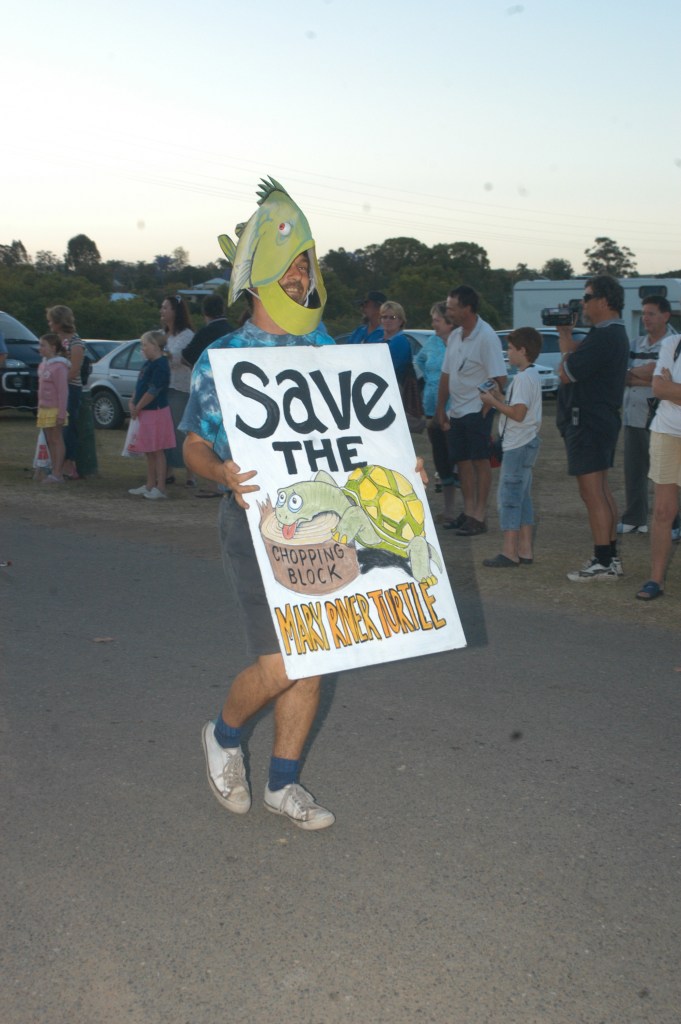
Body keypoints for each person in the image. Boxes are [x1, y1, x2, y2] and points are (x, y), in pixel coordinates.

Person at [181, 177, 338, 830]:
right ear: (262, 275)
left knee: (317, 657)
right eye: (292, 265)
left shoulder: (324, 347)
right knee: (283, 662)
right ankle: (221, 736)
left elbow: (359, 432)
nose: (303, 276)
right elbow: (191, 445)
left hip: (319, 521)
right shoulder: (223, 356)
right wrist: (220, 470)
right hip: (251, 521)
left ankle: (282, 784)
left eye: (308, 265)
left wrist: (401, 470)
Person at [556, 275, 629, 581]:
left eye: (586, 298)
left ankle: (603, 561)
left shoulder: (605, 336)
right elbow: (575, 354)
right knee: (600, 490)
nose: (582, 304)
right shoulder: (609, 334)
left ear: (603, 300)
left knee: (592, 493)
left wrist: (565, 352)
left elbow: (566, 372)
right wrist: (565, 333)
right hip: (599, 420)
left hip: (589, 421)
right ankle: (609, 557)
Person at [436, 285, 507, 536]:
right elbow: (447, 374)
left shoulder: (486, 336)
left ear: (467, 309)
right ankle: (467, 513)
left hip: (477, 410)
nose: (449, 312)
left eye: (452, 308)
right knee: (462, 463)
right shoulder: (455, 336)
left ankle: (479, 515)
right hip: (456, 410)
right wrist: (441, 408)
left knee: (480, 462)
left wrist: (488, 404)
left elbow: (499, 377)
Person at [479, 328, 543, 567]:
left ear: (523, 351)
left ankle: (510, 551)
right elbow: (519, 407)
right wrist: (500, 396)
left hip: (518, 444)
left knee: (509, 497)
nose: (508, 353)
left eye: (511, 349)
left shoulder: (524, 378)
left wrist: (493, 402)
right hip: (526, 442)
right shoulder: (531, 375)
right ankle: (524, 549)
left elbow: (518, 413)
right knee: (523, 497)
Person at [618, 296, 677, 534]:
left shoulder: (673, 344)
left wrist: (645, 376)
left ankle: (674, 523)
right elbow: (623, 375)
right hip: (633, 416)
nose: (645, 318)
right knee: (634, 470)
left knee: (668, 475)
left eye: (651, 313)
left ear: (665, 316)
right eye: (644, 313)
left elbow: (662, 377)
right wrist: (646, 376)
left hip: (661, 420)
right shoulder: (635, 343)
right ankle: (635, 519)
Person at [635, 333, 681, 601]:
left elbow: (667, 388)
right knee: (663, 511)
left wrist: (672, 386)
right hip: (666, 433)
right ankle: (656, 579)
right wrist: (666, 387)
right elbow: (659, 389)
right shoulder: (672, 344)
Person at [415, 301, 457, 524]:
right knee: (441, 461)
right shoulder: (432, 342)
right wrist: (431, 380)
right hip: (432, 410)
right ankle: (449, 510)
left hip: (454, 411)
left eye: (437, 320)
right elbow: (420, 360)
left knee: (457, 460)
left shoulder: (458, 343)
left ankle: (467, 510)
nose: (433, 324)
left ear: (449, 323)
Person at [126, 330, 176, 501]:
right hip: (145, 412)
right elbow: (140, 386)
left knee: (157, 450)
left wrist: (138, 406)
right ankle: (149, 484)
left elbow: (153, 390)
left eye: (145, 344)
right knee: (148, 450)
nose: (143, 348)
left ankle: (160, 487)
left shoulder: (161, 365)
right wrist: (133, 402)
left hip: (156, 412)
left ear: (155, 346)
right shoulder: (148, 363)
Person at [46, 305, 85, 480]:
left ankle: (69, 463)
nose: (49, 324)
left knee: (68, 426)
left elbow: (75, 370)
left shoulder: (76, 343)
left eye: (51, 320)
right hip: (53, 390)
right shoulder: (53, 340)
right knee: (53, 426)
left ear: (58, 322)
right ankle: (55, 463)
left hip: (71, 389)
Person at [160, 295, 196, 486]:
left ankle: (191, 474)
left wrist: (161, 353)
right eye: (162, 308)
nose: (162, 311)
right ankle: (167, 471)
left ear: (175, 311)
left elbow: (178, 358)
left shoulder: (187, 335)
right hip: (165, 387)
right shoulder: (164, 334)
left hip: (181, 388)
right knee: (167, 431)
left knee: (182, 431)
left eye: (165, 307)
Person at [36, 332, 70, 484]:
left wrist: (61, 414)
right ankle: (54, 470)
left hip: (55, 409)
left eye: (43, 345)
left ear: (53, 347)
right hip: (45, 408)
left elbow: (63, 392)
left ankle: (58, 472)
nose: (40, 348)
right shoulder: (44, 364)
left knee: (57, 439)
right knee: (50, 439)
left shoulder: (59, 367)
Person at [181, 294, 234, 368]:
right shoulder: (234, 331)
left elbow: (186, 358)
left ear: (204, 311)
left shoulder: (204, 334)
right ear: (223, 309)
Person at [378, 300, 413, 383]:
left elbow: (390, 368)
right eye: (384, 317)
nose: (387, 320)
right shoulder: (379, 341)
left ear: (401, 321)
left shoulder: (400, 342)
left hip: (395, 388)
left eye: (392, 317)